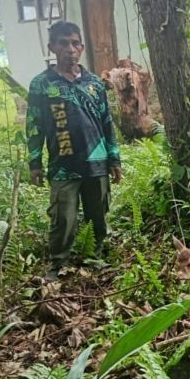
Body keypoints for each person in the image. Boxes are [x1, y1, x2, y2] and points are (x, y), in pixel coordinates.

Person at [26, 21, 122, 279]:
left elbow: (106, 123)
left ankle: (96, 257)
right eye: (63, 43)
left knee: (97, 214)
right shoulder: (41, 85)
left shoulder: (94, 83)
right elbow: (34, 125)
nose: (70, 49)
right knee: (63, 218)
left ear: (81, 47)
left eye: (75, 43)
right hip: (62, 166)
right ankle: (58, 264)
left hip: (97, 162)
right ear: (52, 47)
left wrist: (115, 159)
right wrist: (35, 163)